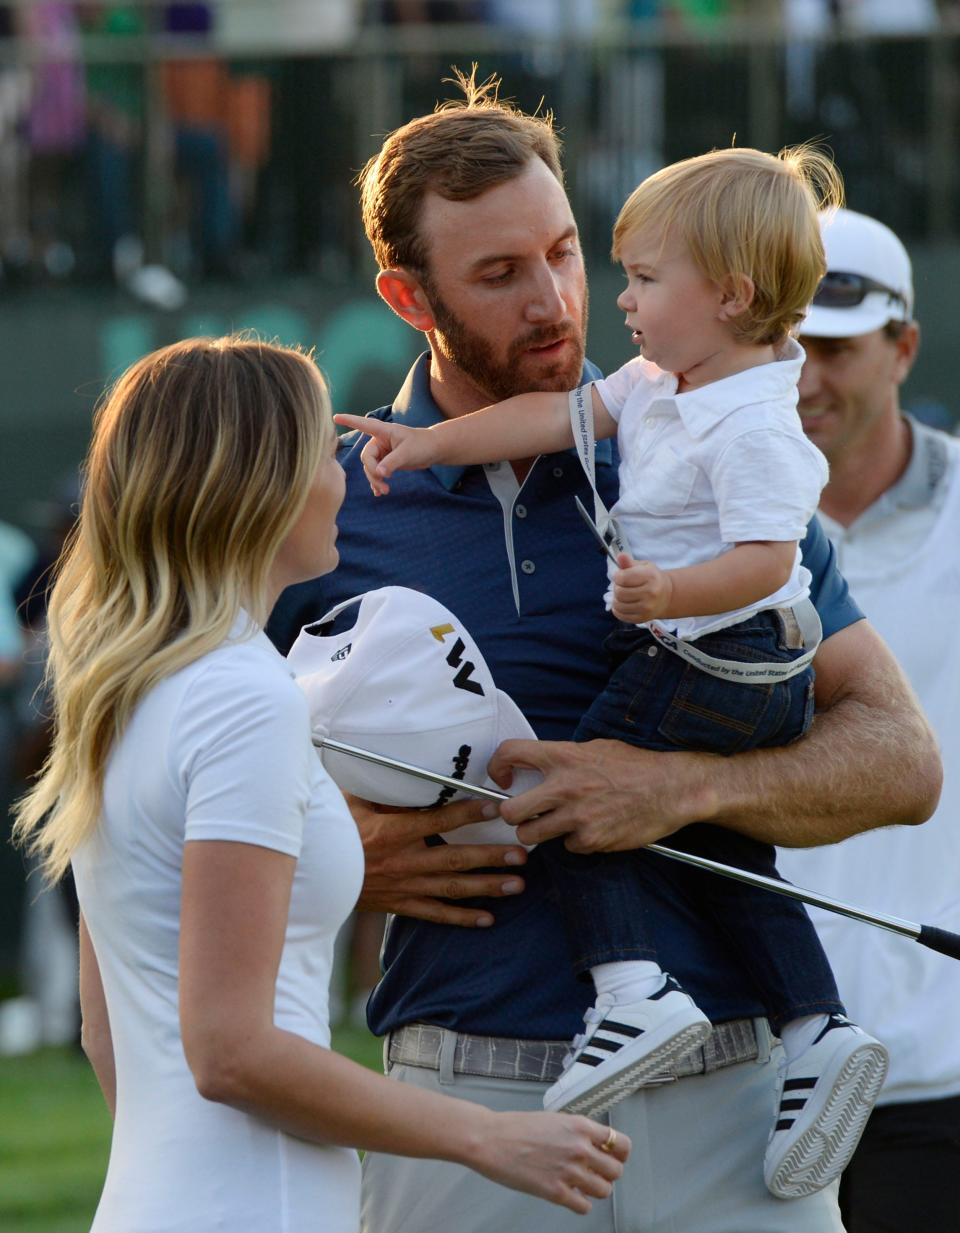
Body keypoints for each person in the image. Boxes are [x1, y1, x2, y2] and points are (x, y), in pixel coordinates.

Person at [266, 71, 941, 1233]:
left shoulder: (704, 428)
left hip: (736, 1094)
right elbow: (165, 792)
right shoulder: (320, 493)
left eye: (566, 253)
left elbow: (899, 761)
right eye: (498, 274)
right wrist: (340, 860)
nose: (556, 301)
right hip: (459, 1099)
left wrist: (674, 787)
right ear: (403, 292)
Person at [10, 336, 629, 1233]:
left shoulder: (134, 686)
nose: (345, 477)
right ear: (260, 484)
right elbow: (231, 1052)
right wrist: (491, 1137)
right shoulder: (242, 698)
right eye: (321, 454)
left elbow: (111, 1037)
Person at [777, 208, 960, 1233]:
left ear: (904, 348)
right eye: (785, 345)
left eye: (835, 348)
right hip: (742, 1078)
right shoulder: (685, 525)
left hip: (937, 1081)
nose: (804, 378)